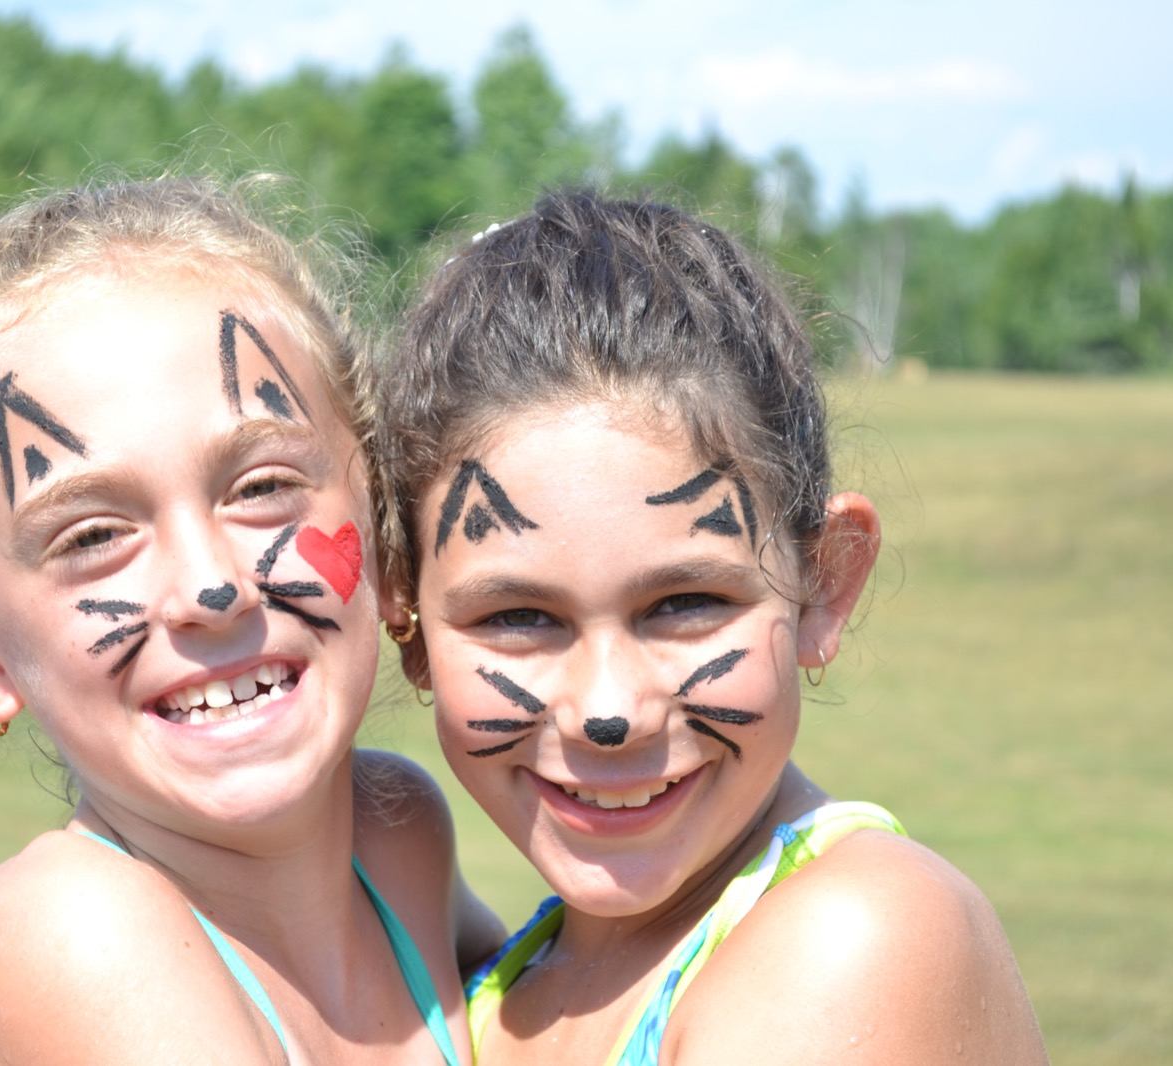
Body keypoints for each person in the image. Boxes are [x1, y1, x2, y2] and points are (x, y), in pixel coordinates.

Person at [375, 191, 1048, 1064]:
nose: (608, 711)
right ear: (407, 618)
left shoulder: (854, 941)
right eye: (518, 617)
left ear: (824, 581)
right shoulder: (501, 987)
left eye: (685, 604)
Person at [0, 176, 501, 1063]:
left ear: (389, 530)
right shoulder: (72, 934)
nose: (210, 586)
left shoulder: (397, 835)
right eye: (92, 534)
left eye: (263, 487)